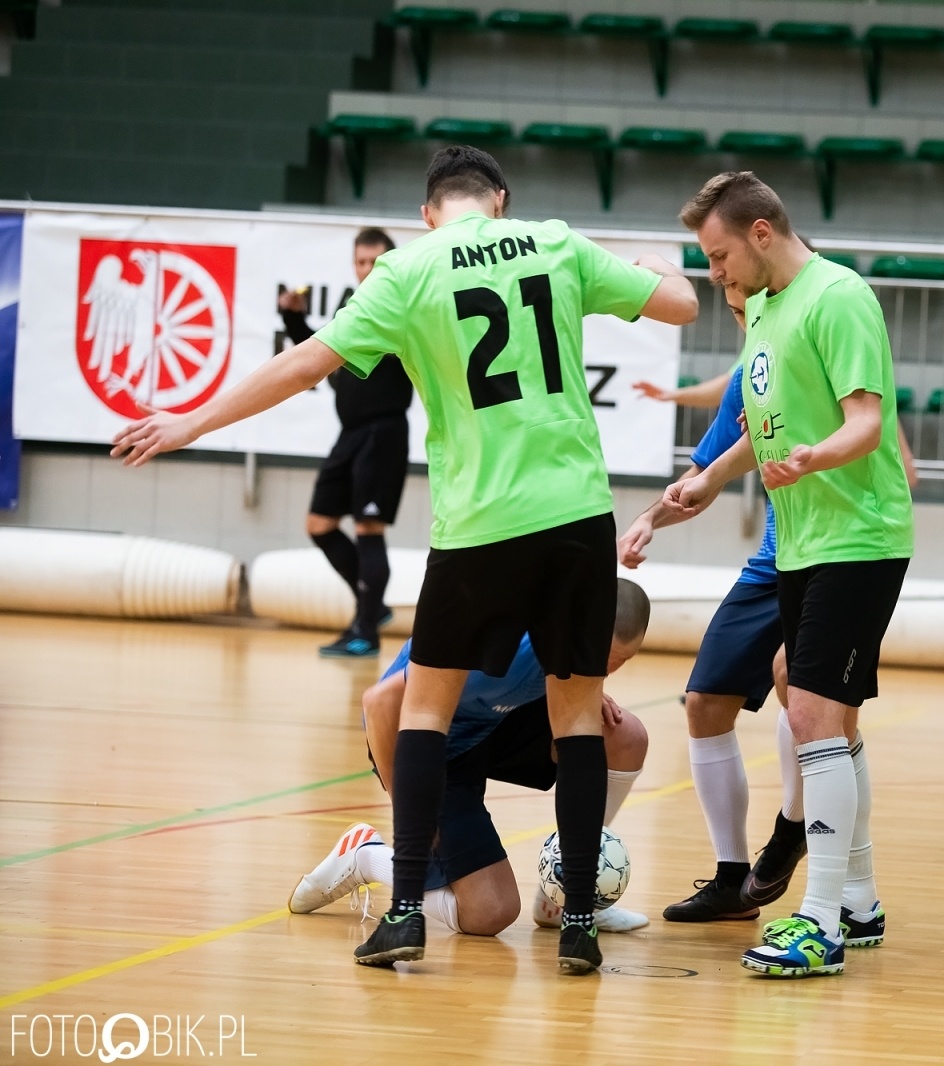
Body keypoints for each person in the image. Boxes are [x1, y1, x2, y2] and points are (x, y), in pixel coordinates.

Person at [110, 144, 699, 976]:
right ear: (500, 199)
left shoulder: (407, 271)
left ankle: (405, 915)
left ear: (429, 212)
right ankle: (577, 931)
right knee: (578, 721)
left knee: (423, 711)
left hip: (480, 522)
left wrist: (191, 422)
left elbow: (301, 363)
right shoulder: (555, 243)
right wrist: (647, 266)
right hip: (575, 517)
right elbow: (680, 305)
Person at [669, 172, 914, 978]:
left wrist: (816, 457)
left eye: (719, 255)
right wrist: (714, 476)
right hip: (807, 542)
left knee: (810, 712)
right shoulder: (767, 309)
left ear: (762, 232)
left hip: (858, 538)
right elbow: (768, 427)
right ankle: (861, 901)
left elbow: (868, 424)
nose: (716, 275)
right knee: (815, 709)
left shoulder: (838, 298)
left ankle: (821, 921)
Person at [621, 283, 918, 926]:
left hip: (841, 550)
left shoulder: (827, 330)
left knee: (808, 698)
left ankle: (800, 836)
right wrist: (647, 521)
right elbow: (709, 471)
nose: (735, 306)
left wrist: (856, 450)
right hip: (775, 561)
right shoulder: (753, 367)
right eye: (728, 298)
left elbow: (880, 439)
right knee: (705, 702)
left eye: (736, 286)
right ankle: (735, 878)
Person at [288, 579, 655, 936]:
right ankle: (365, 857)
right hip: (432, 747)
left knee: (623, 736)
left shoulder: (571, 637)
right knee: (490, 912)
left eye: (621, 662)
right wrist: (409, 808)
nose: (605, 671)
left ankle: (562, 898)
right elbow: (378, 703)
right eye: (604, 658)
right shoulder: (498, 647)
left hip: (493, 721)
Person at [278, 228, 414, 659]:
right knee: (318, 524)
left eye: (374, 262)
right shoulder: (352, 307)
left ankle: (366, 632)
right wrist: (294, 320)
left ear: (390, 262)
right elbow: (324, 359)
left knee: (367, 528)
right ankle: (372, 609)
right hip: (351, 434)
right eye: (360, 262)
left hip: (383, 432)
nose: (366, 270)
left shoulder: (402, 307)